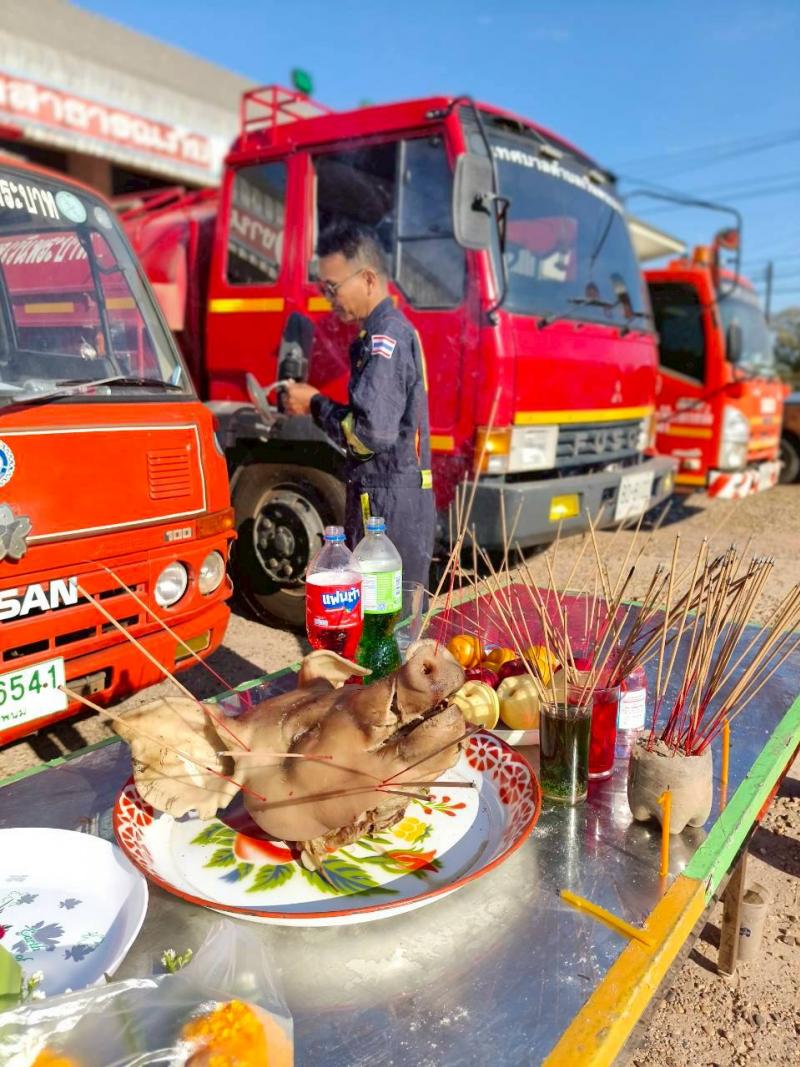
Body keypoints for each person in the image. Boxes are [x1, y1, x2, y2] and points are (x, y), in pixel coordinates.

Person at [282, 221, 434, 589]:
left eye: (332, 287)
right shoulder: (383, 332)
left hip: (387, 505)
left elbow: (369, 434)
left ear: (367, 279)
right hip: (389, 497)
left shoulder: (385, 338)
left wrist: (315, 403)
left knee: (386, 615)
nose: (328, 298)